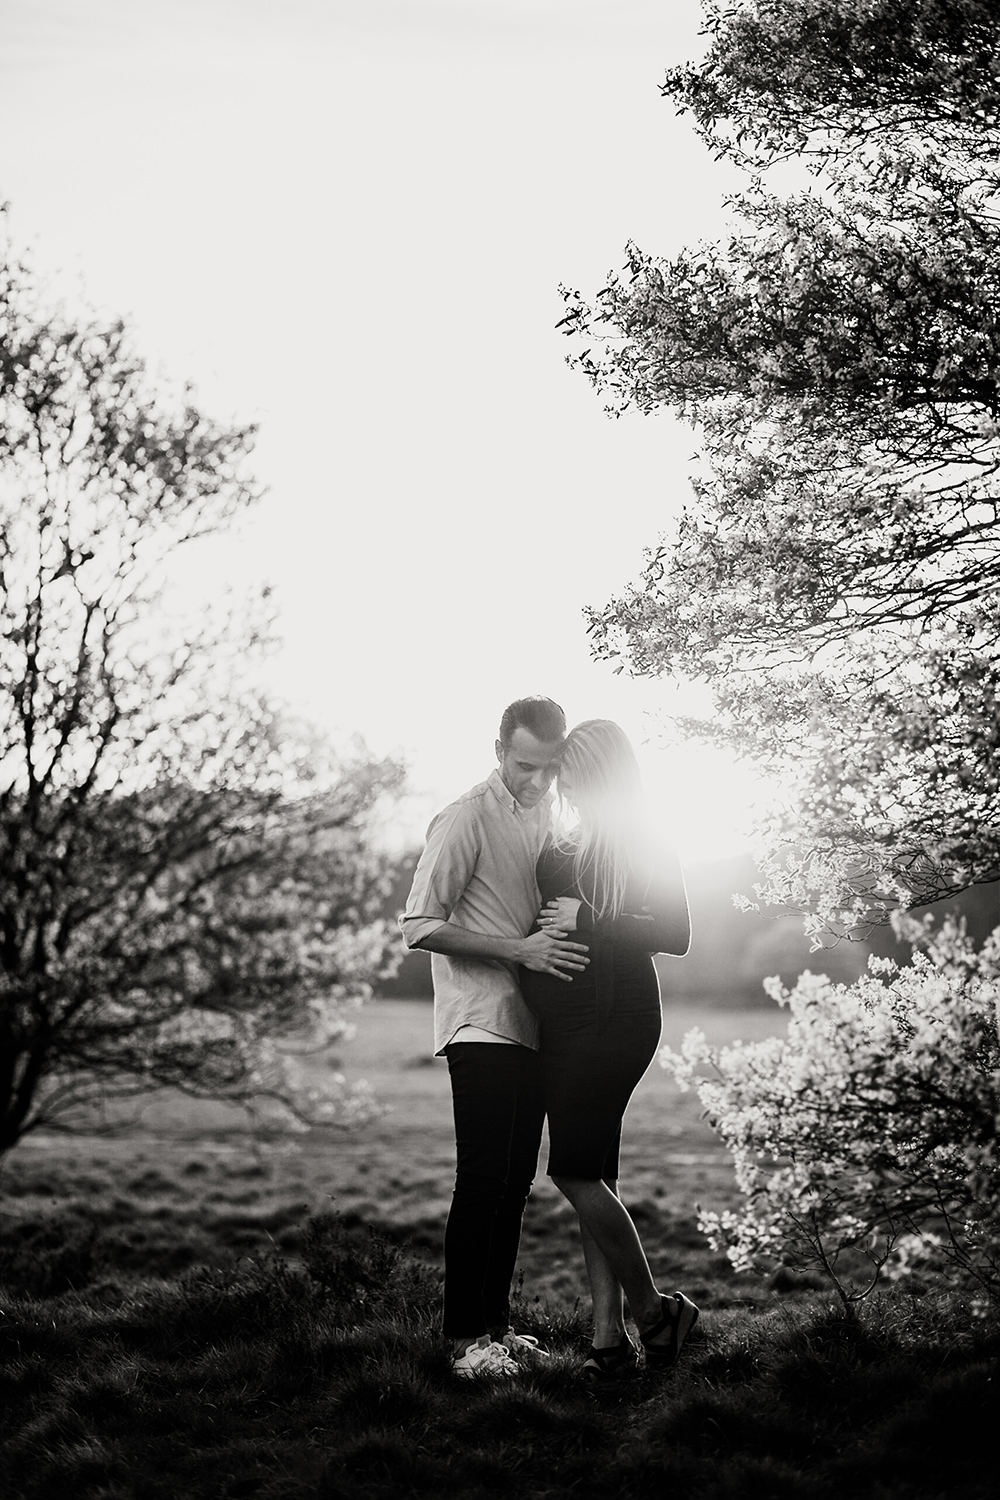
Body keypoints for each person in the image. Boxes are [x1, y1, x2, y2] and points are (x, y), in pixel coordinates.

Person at [399, 696, 590, 1379]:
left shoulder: (552, 816)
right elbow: (419, 924)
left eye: (545, 767)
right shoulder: (464, 817)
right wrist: (521, 951)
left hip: (533, 1026)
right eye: (521, 764)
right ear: (498, 749)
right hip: (479, 1020)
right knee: (482, 1181)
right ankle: (460, 1342)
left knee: (514, 1184)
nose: (533, 780)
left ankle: (496, 1332)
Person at [519, 718, 697, 1380]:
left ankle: (655, 1313)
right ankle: (607, 1342)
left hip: (619, 1021)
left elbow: (676, 933)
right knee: (597, 1171)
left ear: (600, 772)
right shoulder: (563, 841)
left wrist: (588, 918)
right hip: (565, 1027)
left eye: (571, 769)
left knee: (572, 1172)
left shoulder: (646, 838)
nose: (561, 780)